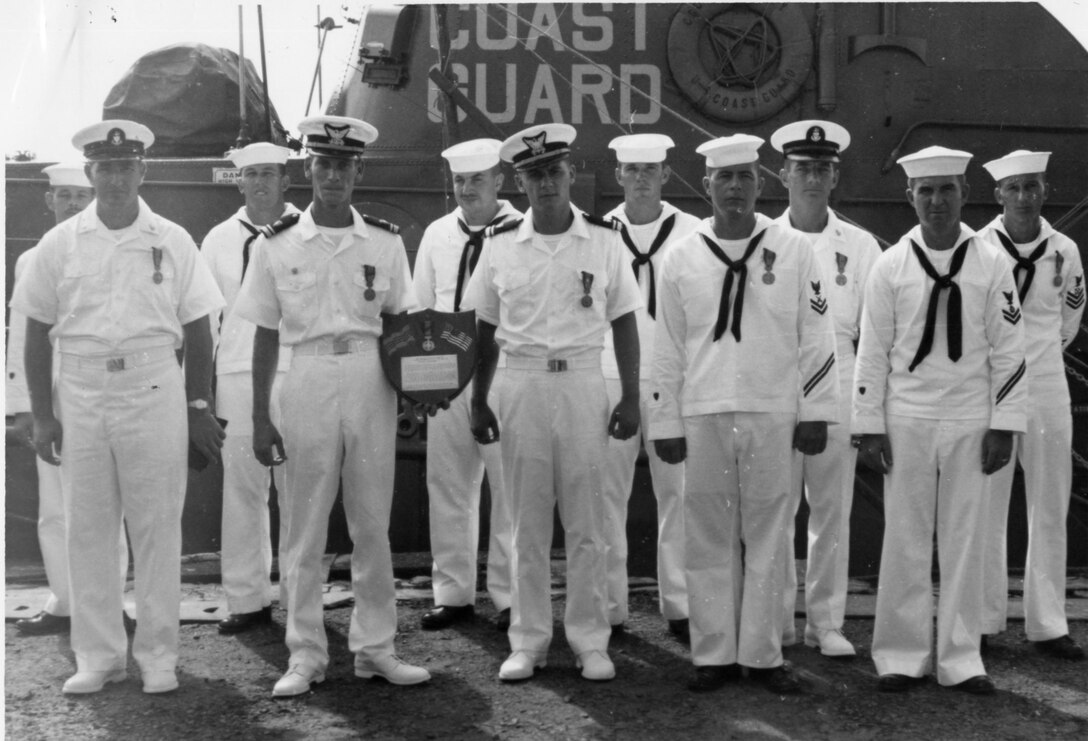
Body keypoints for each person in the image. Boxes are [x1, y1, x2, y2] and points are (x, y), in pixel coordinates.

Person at [11, 120, 226, 695]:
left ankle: (159, 655)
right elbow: (34, 332)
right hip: (79, 392)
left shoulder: (172, 238)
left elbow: (199, 326)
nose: (115, 178)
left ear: (142, 171)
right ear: (89, 173)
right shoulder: (58, 244)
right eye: (105, 168)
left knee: (156, 526)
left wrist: (198, 402)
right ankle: (99, 655)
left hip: (153, 387)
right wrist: (43, 411)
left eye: (126, 167)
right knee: (88, 528)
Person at [234, 114, 431, 697]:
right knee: (304, 524)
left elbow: (400, 323)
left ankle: (376, 649)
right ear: (309, 170)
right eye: (324, 163)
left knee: (372, 523)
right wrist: (259, 415)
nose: (334, 175)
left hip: (370, 376)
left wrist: (412, 396)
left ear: (357, 170)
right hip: (307, 375)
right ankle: (305, 655)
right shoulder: (277, 245)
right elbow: (266, 333)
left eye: (344, 165)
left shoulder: (385, 241)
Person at [649, 134, 839, 695]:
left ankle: (761, 655)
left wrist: (816, 410)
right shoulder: (680, 256)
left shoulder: (794, 248)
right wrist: (665, 422)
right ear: (705, 184)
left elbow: (817, 335)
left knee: (769, 536)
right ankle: (713, 655)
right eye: (724, 178)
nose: (735, 188)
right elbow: (668, 347)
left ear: (762, 184)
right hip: (704, 411)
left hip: (773, 410)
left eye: (746, 178)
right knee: (706, 537)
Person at [462, 123, 642, 683]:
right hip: (521, 385)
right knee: (526, 521)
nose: (545, 184)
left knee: (587, 521)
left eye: (553, 172)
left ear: (570, 175)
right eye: (533, 174)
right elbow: (484, 329)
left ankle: (590, 639)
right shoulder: (498, 245)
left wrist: (630, 396)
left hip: (585, 382)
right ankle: (529, 641)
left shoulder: (606, 242)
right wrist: (479, 400)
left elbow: (625, 323)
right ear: (519, 182)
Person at [853, 146, 1027, 695]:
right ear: (910, 197)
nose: (936, 201)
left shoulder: (991, 261)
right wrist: (868, 425)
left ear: (965, 194)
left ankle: (960, 657)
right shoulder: (891, 265)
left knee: (965, 539)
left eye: (946, 189)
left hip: (971, 418)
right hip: (906, 415)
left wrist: (1005, 423)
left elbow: (1010, 347)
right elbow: (872, 351)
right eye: (925, 191)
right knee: (904, 536)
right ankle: (901, 655)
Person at [769, 121, 882, 658]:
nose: (812, 178)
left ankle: (826, 623)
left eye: (822, 169)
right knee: (774, 508)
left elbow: (876, 333)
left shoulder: (859, 246)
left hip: (838, 379)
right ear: (783, 174)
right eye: (803, 168)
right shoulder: (762, 241)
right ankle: (775, 622)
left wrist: (864, 410)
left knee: (831, 510)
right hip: (778, 379)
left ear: (834, 177)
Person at [7, 163, 129, 637]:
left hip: (98, 389)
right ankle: (63, 600)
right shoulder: (32, 258)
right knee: (55, 505)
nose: (74, 204)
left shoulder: (107, 247)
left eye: (81, 195)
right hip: (49, 394)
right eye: (64, 197)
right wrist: (23, 405)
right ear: (48, 201)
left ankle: (112, 602)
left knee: (106, 501)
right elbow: (21, 335)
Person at [977, 150, 1085, 661]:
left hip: (1045, 385)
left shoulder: (1064, 249)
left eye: (1033, 186)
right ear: (999, 194)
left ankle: (1048, 624)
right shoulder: (977, 247)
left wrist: (1036, 358)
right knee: (986, 504)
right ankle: (983, 618)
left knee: (1048, 502)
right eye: (1014, 187)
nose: (1024, 196)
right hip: (990, 385)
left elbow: (1069, 318)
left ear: (1045, 189)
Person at [412, 139, 518, 632]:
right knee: (448, 484)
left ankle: (510, 596)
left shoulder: (522, 232)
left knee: (509, 490)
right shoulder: (436, 234)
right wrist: (420, 383)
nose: (468, 189)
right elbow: (418, 310)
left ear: (500, 180)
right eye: (459, 180)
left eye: (478, 179)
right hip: (446, 376)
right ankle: (453, 593)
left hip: (504, 373)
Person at [600, 133, 701, 641]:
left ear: (665, 174)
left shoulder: (693, 232)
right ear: (618, 175)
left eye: (650, 169)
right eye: (631, 169)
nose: (640, 178)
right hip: (611, 373)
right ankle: (610, 607)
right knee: (606, 495)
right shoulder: (597, 233)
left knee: (678, 493)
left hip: (670, 377)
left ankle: (680, 606)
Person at [200, 142, 300, 635]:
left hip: (301, 372)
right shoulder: (218, 239)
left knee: (300, 491)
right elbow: (205, 320)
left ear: (286, 180)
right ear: (239, 182)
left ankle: (302, 599)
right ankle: (248, 600)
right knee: (242, 492)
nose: (261, 182)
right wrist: (201, 390)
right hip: (238, 375)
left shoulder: (309, 230)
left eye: (270, 173)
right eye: (252, 174)